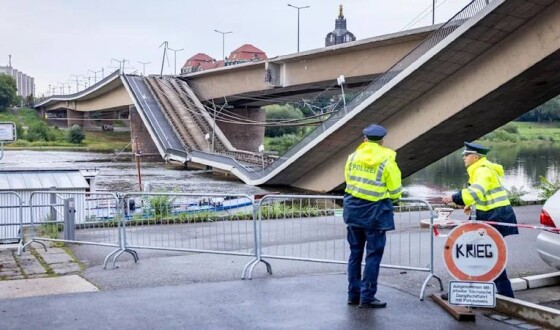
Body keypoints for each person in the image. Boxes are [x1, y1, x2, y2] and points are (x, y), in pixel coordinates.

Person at [442, 141, 519, 298]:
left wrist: (453, 197)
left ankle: (471, 292)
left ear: (475, 157)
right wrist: (471, 206)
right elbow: (483, 195)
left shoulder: (482, 171)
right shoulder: (481, 169)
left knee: (482, 254)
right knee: (484, 254)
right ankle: (501, 294)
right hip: (492, 216)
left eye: (466, 155)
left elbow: (475, 192)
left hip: (494, 217)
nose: (463, 158)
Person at [343, 124, 403, 308]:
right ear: (382, 141)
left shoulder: (352, 158)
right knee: (373, 256)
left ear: (364, 139)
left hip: (354, 211)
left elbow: (349, 181)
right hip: (375, 214)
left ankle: (353, 295)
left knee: (355, 254)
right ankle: (367, 297)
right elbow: (395, 191)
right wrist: (391, 198)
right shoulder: (387, 161)